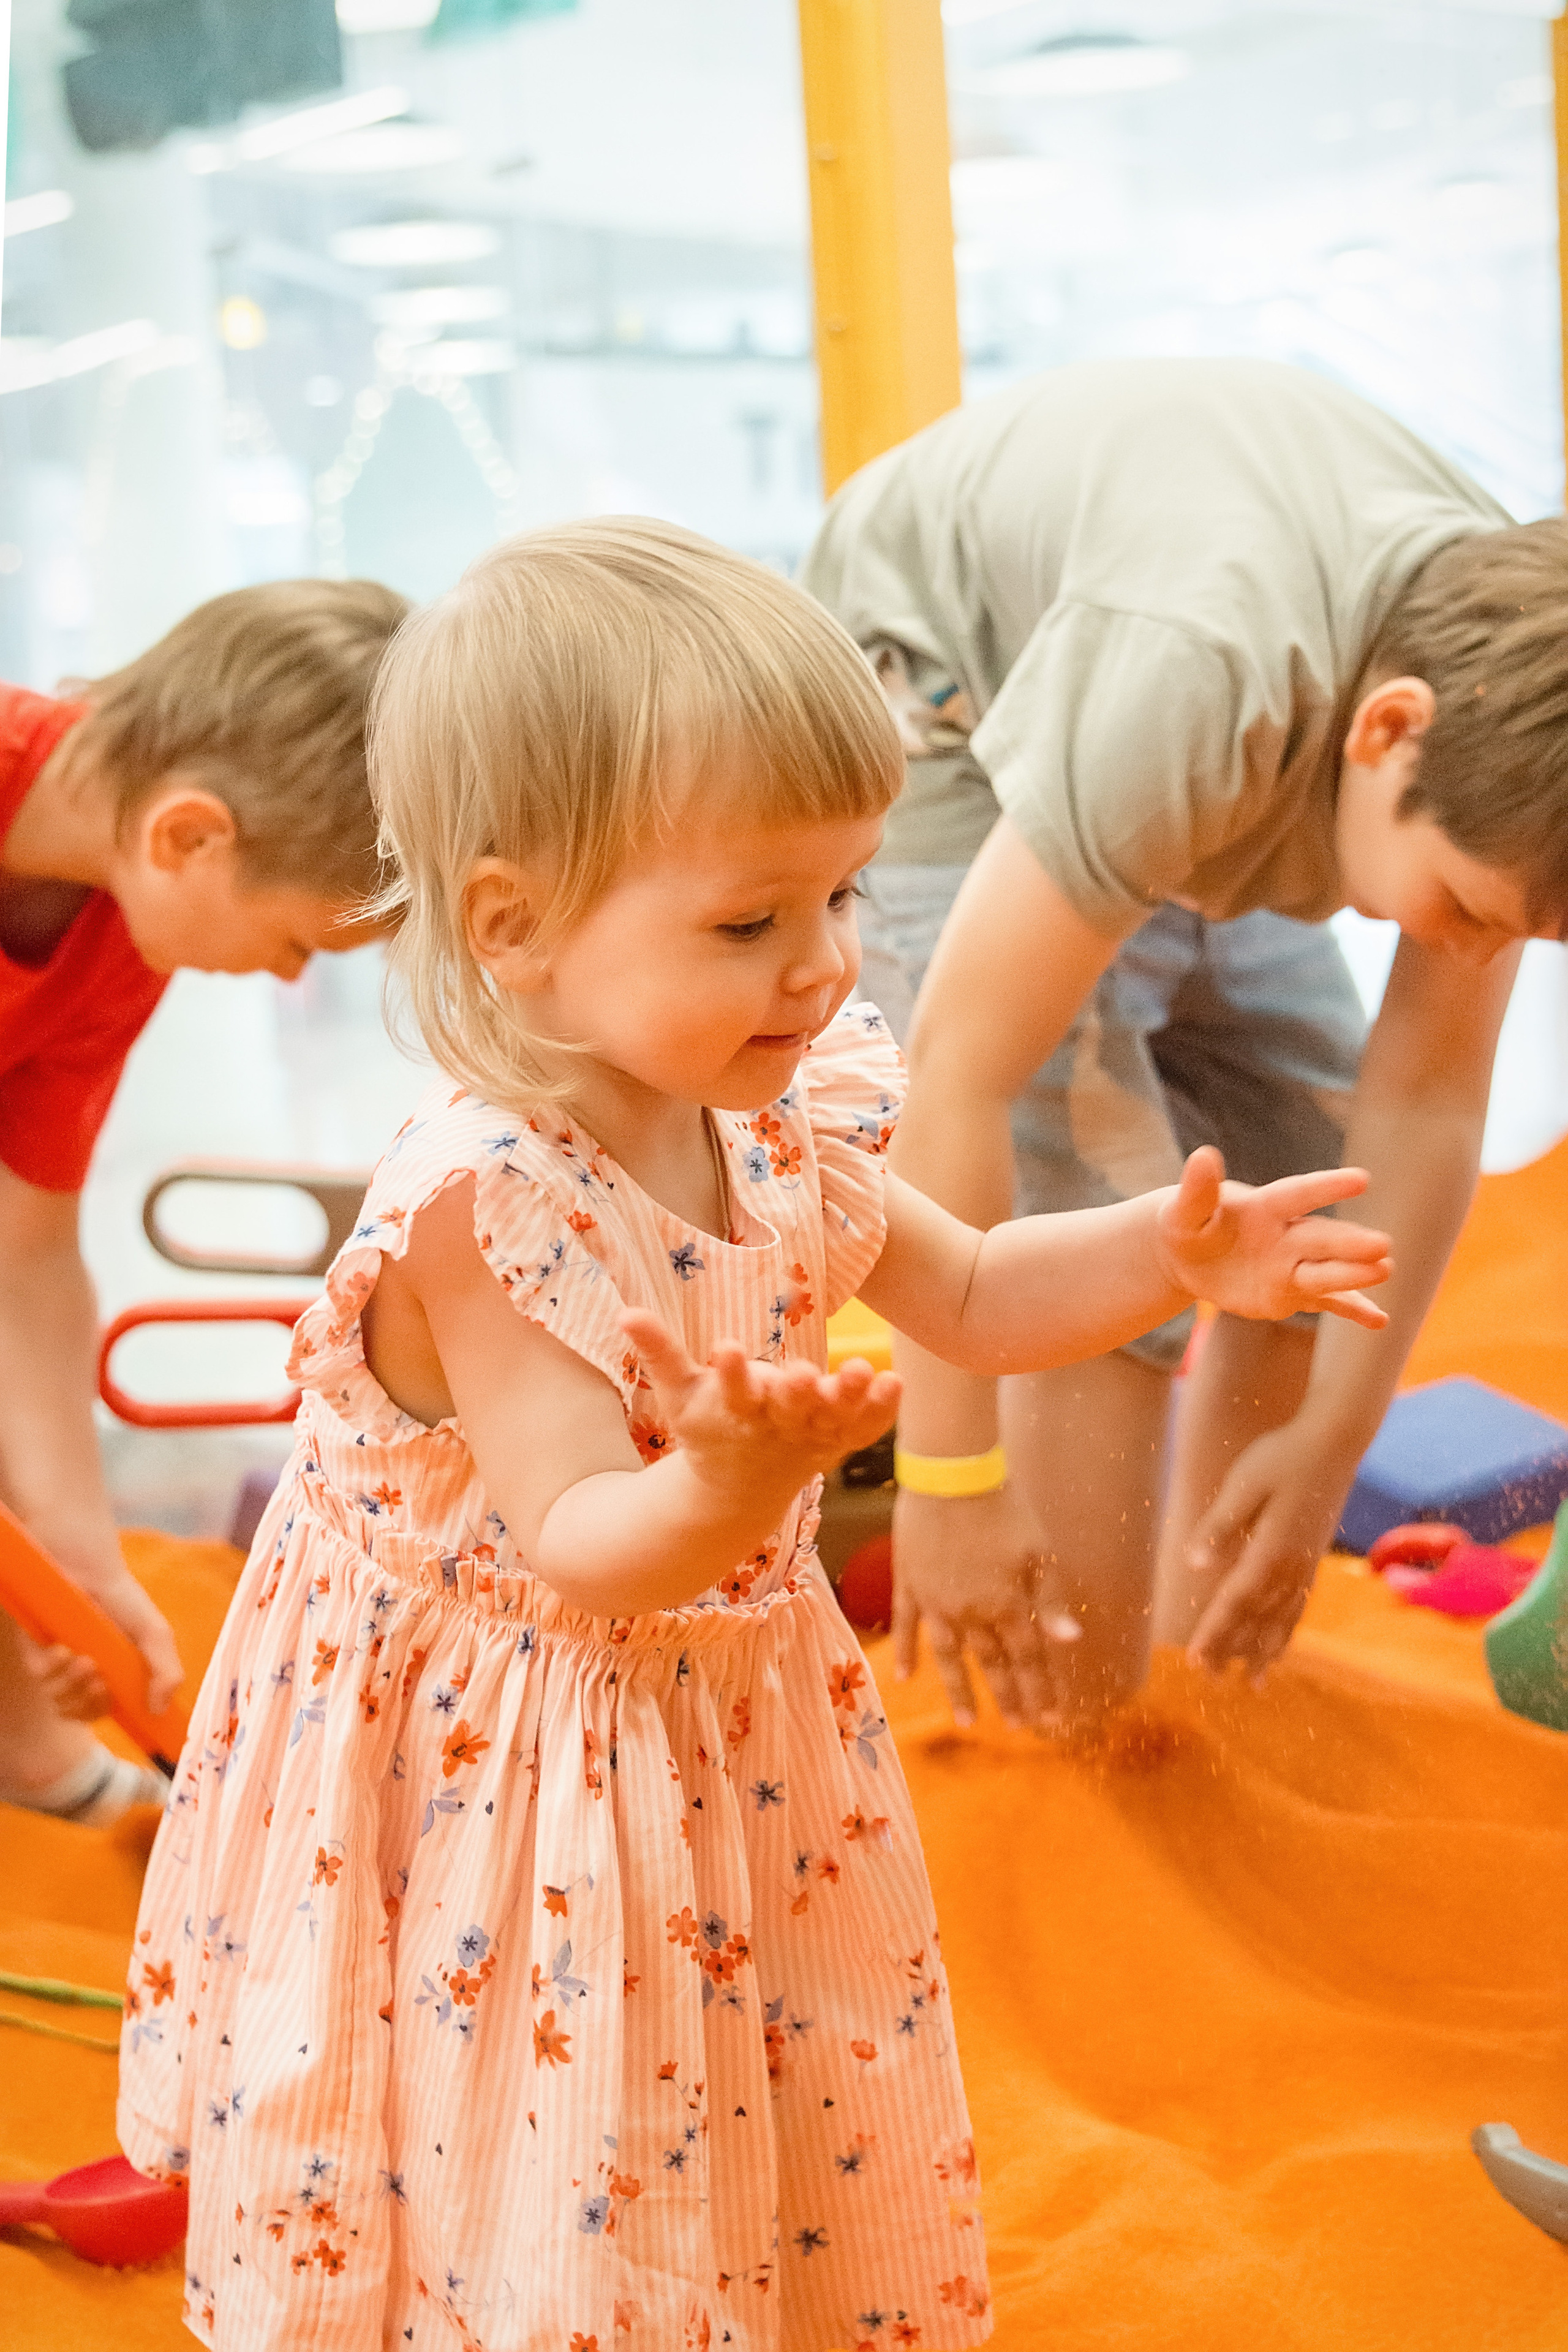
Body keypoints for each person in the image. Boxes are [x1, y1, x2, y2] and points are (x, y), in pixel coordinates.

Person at [116, 520, 1390, 2351]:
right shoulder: (487, 1207)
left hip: (714, 1722)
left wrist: (1170, 1254)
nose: (817, 968)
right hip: (511, 1743)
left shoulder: (780, 1115)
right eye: (749, 921)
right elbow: (575, 1536)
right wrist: (721, 1482)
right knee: (538, 2141)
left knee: (729, 2085)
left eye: (844, 900)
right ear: (514, 925)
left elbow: (974, 1290)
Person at [798, 355, 1568, 1736]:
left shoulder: (1503, 713)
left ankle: (1196, 1690)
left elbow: (1426, 1099)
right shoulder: (1199, 680)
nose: (1458, 949)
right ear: (1388, 735)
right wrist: (951, 1478)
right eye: (1460, 912)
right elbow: (964, 1079)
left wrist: (1330, 1443)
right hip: (949, 701)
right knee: (1102, 1218)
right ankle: (1067, 1722)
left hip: (1209, 714)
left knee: (1293, 1186)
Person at [0, 578, 408, 1823]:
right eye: (298, 944)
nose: (285, 975)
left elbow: (28, 1254)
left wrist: (80, 1552)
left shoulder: (123, 928)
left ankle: (34, 1760)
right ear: (192, 837)